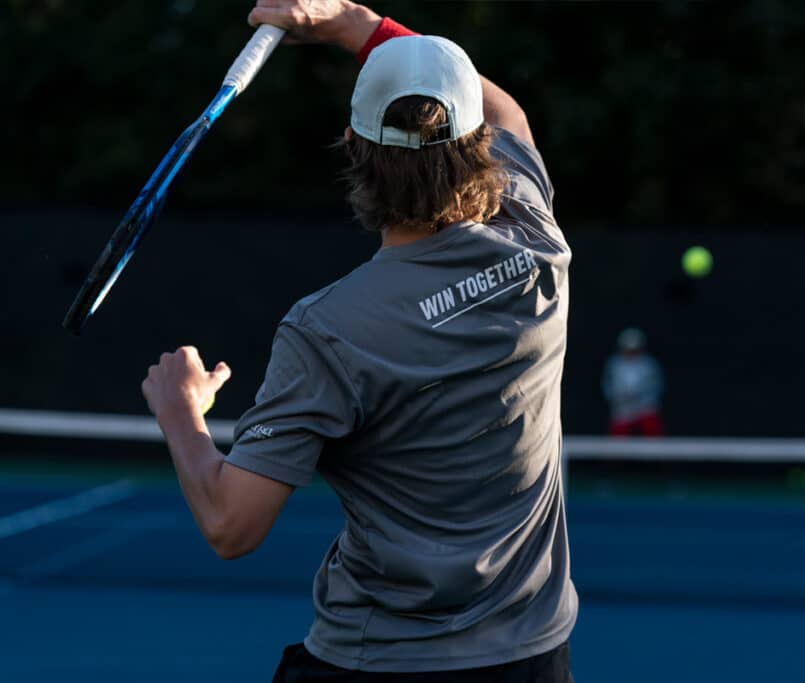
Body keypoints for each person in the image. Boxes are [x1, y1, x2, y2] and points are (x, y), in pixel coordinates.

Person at [140, 2, 576, 681]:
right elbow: (510, 116)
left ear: (351, 144)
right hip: (533, 656)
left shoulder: (328, 330)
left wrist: (181, 413)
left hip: (379, 661)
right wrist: (356, 22)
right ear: (480, 148)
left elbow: (232, 525)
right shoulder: (538, 241)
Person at [602, 328, 665, 436]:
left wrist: (639, 396)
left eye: (634, 349)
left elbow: (656, 386)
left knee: (653, 430)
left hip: (645, 407)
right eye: (628, 349)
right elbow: (608, 386)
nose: (631, 352)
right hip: (622, 408)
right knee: (618, 439)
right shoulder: (614, 364)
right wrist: (619, 397)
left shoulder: (649, 364)